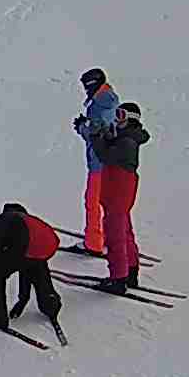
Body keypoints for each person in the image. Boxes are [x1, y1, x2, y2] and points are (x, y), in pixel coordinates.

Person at [94, 103, 150, 293]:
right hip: (118, 190)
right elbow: (110, 147)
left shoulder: (127, 142)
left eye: (121, 115)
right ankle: (130, 272)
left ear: (130, 118)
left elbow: (105, 156)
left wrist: (96, 137)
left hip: (118, 190)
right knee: (124, 230)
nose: (117, 119)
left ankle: (118, 278)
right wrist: (103, 134)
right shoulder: (126, 137)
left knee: (115, 234)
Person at [0, 202, 62, 330]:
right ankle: (50, 305)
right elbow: (25, 267)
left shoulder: (4, 219)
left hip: (27, 244)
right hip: (46, 245)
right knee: (35, 266)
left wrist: (0, 260)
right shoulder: (28, 220)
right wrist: (23, 299)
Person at [72, 68, 122, 256]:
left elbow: (96, 134)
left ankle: (93, 242)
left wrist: (82, 127)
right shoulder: (110, 100)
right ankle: (109, 236)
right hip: (111, 162)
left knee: (92, 201)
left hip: (99, 162)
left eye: (86, 86)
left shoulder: (99, 106)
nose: (85, 90)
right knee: (107, 202)